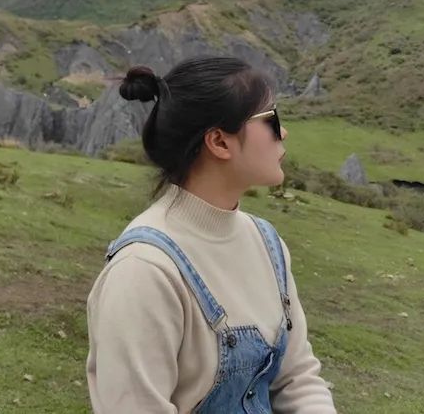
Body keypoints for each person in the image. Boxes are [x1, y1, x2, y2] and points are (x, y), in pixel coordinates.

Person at [86, 57, 336, 413]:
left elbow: (298, 379)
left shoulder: (268, 244)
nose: (283, 133)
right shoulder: (144, 272)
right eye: (271, 119)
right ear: (219, 141)